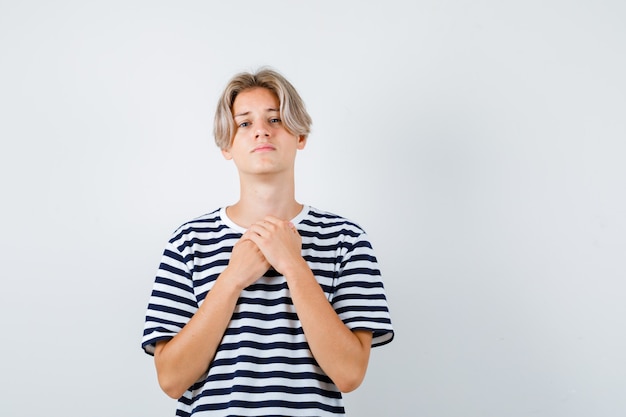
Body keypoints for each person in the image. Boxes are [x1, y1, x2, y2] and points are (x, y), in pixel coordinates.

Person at [142, 67, 394, 416]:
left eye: (275, 119)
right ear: (226, 145)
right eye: (244, 123)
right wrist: (232, 279)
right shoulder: (188, 242)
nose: (261, 130)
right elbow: (171, 380)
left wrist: (293, 265)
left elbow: (349, 374)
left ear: (300, 136)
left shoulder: (347, 241)